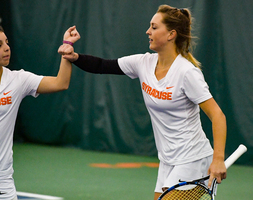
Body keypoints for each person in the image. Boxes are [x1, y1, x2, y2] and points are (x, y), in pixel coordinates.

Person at [59, 4, 227, 200]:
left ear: (171, 34)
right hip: (167, 160)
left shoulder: (187, 72)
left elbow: (217, 115)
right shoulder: (143, 63)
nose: (148, 31)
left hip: (193, 160)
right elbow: (102, 65)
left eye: (154, 27)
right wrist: (74, 56)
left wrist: (218, 159)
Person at [0, 24, 80, 200]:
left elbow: (61, 83)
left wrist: (67, 47)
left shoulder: (18, 80)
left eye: (6, 42)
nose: (6, 48)